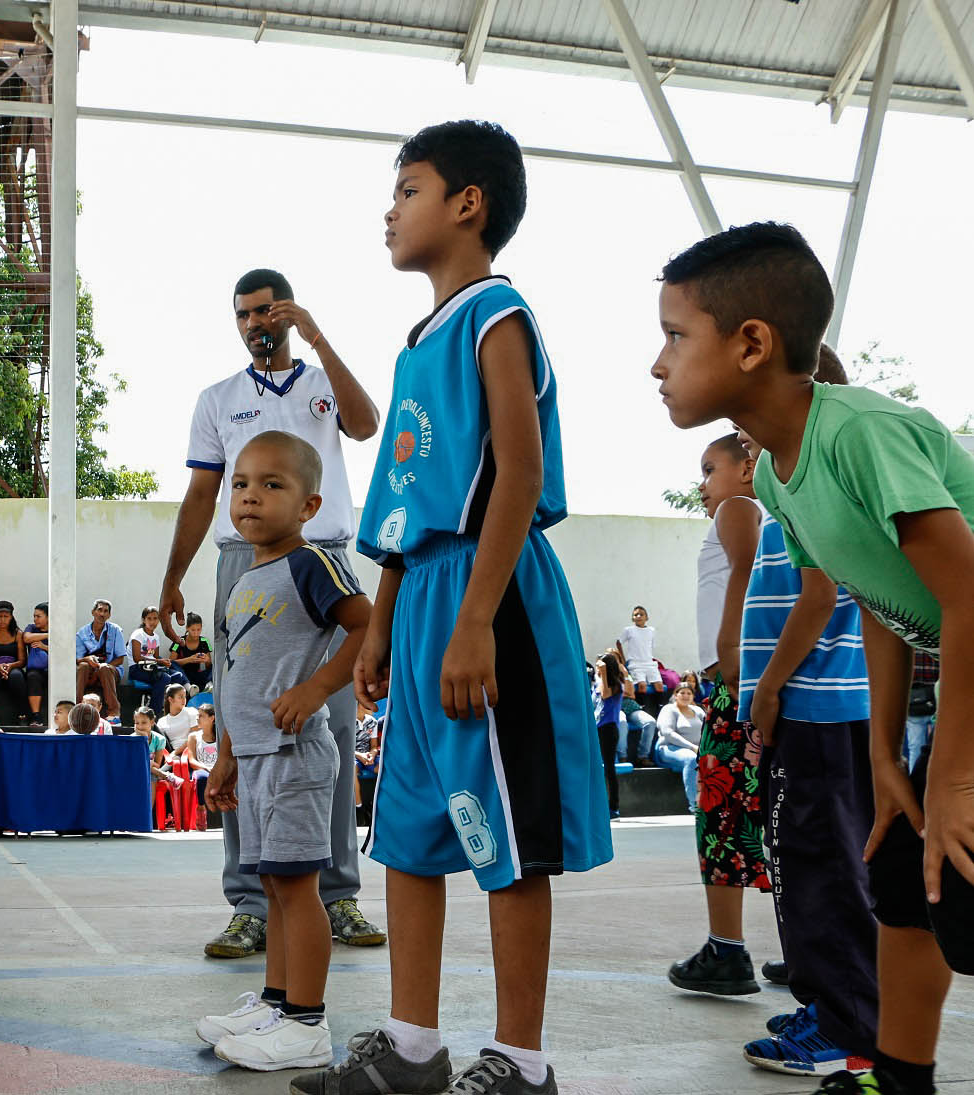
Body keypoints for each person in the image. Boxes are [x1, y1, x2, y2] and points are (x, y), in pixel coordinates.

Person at [299, 121, 612, 1095]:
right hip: (425, 585)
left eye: (409, 189)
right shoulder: (413, 345)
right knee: (413, 826)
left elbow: (515, 470)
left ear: (466, 203)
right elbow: (399, 508)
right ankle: (411, 1046)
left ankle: (521, 1062)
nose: (389, 209)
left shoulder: (494, 313)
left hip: (490, 585)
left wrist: (476, 616)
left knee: (504, 834)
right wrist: (382, 623)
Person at [652, 221, 974, 1095]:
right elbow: (881, 598)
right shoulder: (785, 476)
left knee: (963, 877)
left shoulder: (857, 433)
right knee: (906, 877)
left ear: (752, 342)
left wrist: (951, 778)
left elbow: (969, 595)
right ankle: (898, 1076)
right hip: (940, 683)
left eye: (675, 336)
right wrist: (884, 754)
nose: (658, 363)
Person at [161, 264, 385, 961]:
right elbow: (203, 495)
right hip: (246, 564)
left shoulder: (322, 384)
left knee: (333, 726)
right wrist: (173, 575)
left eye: (268, 311)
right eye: (245, 315)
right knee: (245, 725)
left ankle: (338, 891)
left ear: (287, 314)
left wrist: (317, 334)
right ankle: (250, 902)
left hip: (323, 557)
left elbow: (368, 422)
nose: (257, 323)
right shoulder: (218, 398)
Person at [193, 431, 372, 1072]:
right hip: (257, 757)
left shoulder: (311, 565)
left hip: (296, 755)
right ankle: (276, 1002)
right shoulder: (248, 577)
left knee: (299, 889)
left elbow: (367, 624)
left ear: (308, 506)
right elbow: (239, 674)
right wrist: (226, 756)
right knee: (273, 886)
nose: (250, 496)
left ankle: (307, 1024)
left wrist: (319, 686)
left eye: (273, 485)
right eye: (241, 483)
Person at [733, 352, 879, 1075]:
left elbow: (818, 596)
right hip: (807, 711)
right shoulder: (786, 487)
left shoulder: (816, 484)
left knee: (824, 868)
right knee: (801, 866)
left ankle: (850, 1026)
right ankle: (828, 1002)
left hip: (816, 710)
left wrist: (767, 689)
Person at [664, 433, 774, 1000]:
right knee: (765, 810)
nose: (703, 485)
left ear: (747, 470)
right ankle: (802, 946)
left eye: (710, 469)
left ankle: (726, 949)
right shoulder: (757, 510)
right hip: (742, 682)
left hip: (735, 685)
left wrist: (731, 654)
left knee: (723, 812)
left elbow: (747, 571)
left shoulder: (737, 508)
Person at [653, 684, 704, 810]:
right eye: (682, 693)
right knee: (691, 759)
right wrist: (692, 747)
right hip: (668, 748)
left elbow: (708, 730)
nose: (685, 696)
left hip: (697, 749)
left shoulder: (698, 711)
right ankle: (695, 805)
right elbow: (668, 733)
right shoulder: (669, 709)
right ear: (675, 695)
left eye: (689, 693)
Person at [74, 600, 127, 721]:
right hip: (89, 672)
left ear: (109, 615)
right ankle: (77, 709)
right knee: (83, 666)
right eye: (99, 610)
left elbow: (120, 659)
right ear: (93, 612)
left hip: (110, 670)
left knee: (104, 668)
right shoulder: (82, 633)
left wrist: (102, 667)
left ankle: (114, 713)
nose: (102, 614)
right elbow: (78, 659)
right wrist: (87, 659)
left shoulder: (115, 631)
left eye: (105, 611)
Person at [129, 605, 187, 704]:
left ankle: (168, 707)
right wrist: (159, 661)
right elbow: (137, 658)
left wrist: (164, 663)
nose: (152, 622)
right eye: (149, 619)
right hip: (137, 669)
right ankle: (155, 710)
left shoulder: (156, 637)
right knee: (164, 678)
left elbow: (155, 657)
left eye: (155, 618)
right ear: (144, 620)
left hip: (151, 668)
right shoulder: (138, 634)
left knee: (177, 676)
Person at [595, 652, 627, 820]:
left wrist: (605, 673)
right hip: (597, 727)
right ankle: (598, 805)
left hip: (608, 729)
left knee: (609, 768)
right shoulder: (598, 683)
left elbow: (606, 695)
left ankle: (613, 807)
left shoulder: (616, 684)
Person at [180, 702, 220, 827]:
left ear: (212, 718)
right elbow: (192, 760)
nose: (197, 718)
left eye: (201, 716)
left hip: (219, 769)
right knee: (202, 778)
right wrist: (207, 768)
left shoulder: (220, 736)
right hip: (201, 769)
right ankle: (201, 808)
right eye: (197, 715)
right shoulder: (193, 737)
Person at [617, 605, 661, 706]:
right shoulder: (629, 630)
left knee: (658, 685)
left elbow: (651, 646)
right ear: (632, 618)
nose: (639, 616)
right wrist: (622, 659)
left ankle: (658, 708)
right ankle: (641, 707)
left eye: (641, 614)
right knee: (642, 685)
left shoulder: (651, 631)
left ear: (646, 617)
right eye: (636, 615)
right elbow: (619, 642)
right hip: (635, 664)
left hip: (649, 663)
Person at [22, 602, 50, 726]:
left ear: (49, 617)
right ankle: (35, 716)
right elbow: (27, 638)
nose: (35, 619)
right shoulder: (31, 628)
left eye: (38, 616)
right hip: (36, 670)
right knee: (32, 677)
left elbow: (65, 650)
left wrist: (44, 647)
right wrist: (50, 635)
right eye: (34, 616)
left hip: (54, 669)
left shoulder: (60, 628)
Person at [171, 612, 213, 692]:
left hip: (198, 674)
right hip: (183, 675)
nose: (196, 633)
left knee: (214, 667)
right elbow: (170, 662)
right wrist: (190, 659)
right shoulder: (179, 641)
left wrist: (206, 660)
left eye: (198, 630)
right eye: (193, 630)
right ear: (187, 628)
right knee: (172, 665)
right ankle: (188, 687)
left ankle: (209, 686)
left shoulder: (204, 641)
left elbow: (209, 665)